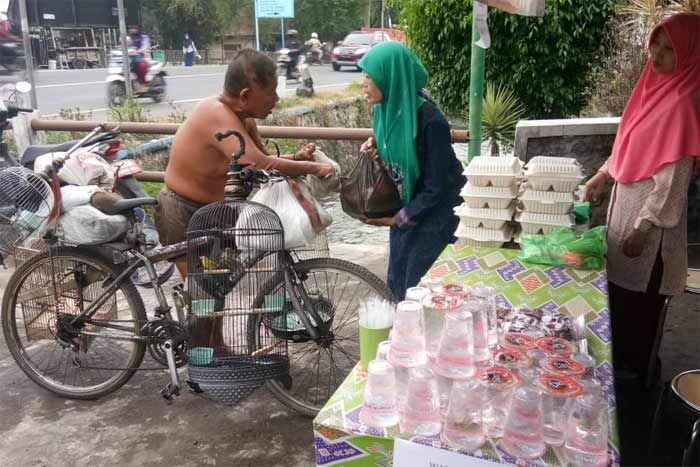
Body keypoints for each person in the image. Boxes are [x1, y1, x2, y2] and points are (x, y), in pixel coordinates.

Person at [583, 12, 700, 384]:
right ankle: (618, 372)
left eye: (670, 50)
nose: (657, 56)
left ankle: (636, 387)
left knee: (639, 308)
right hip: (624, 212)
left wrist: (645, 226)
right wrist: (603, 174)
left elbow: (672, 181)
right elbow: (629, 146)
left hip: (649, 230)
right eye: (656, 46)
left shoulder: (683, 105)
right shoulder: (650, 89)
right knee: (618, 299)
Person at [158, 48, 333, 279]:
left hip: (221, 213)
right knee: (204, 298)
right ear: (245, 96)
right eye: (271, 92)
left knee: (219, 293)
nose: (277, 99)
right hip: (185, 212)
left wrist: (297, 158)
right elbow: (262, 163)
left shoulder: (244, 119)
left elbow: (260, 158)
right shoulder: (215, 114)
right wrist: (316, 169)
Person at [356, 42, 465, 300]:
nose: (364, 83)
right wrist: (376, 147)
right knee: (397, 280)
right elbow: (396, 153)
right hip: (407, 208)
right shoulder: (385, 112)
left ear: (389, 75)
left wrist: (398, 219)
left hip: (435, 215)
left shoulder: (430, 121)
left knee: (421, 289)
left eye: (370, 76)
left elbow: (436, 185)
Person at [127, 25, 150, 92]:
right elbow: (125, 45)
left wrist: (139, 51)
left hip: (143, 56)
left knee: (142, 66)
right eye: (131, 28)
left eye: (134, 28)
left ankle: (143, 84)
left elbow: (145, 46)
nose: (132, 30)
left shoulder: (143, 36)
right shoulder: (129, 37)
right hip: (131, 57)